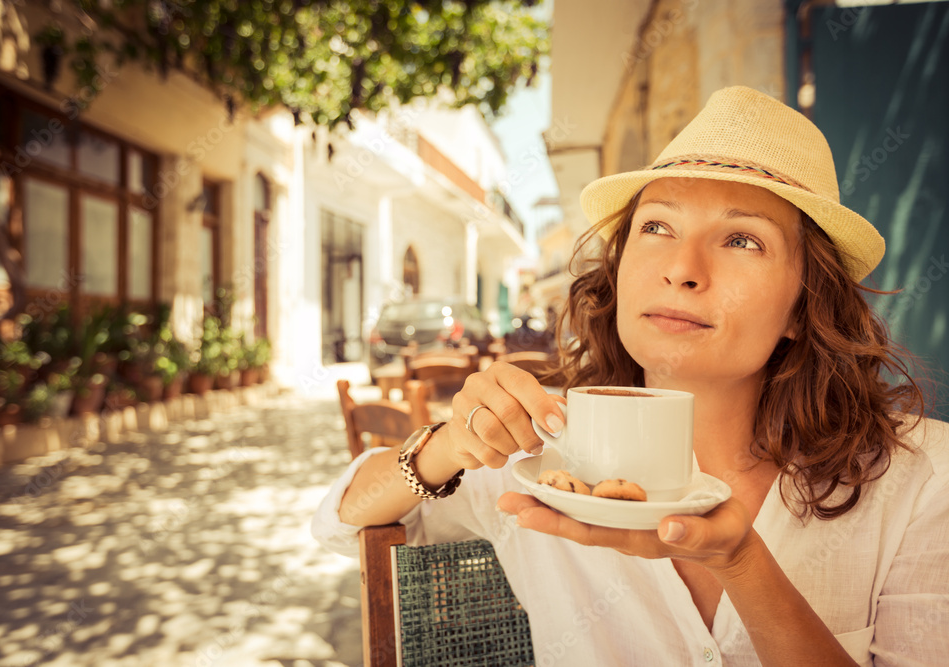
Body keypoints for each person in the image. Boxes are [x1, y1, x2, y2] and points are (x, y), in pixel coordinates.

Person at [312, 86, 948, 665]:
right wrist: (449, 445)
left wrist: (741, 564)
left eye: (742, 241)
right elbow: (339, 520)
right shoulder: (541, 447)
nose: (682, 269)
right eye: (657, 227)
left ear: (803, 304)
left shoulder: (921, 480)